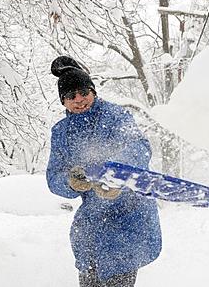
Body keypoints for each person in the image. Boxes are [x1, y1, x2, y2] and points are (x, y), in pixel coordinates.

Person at [47, 56, 162, 286]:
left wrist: (113, 172)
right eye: (70, 96)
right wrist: (71, 181)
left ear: (93, 91)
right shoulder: (61, 132)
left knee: (117, 274)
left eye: (83, 92)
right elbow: (53, 177)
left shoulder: (115, 116)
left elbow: (139, 148)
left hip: (127, 219)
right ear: (63, 102)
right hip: (91, 226)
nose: (79, 100)